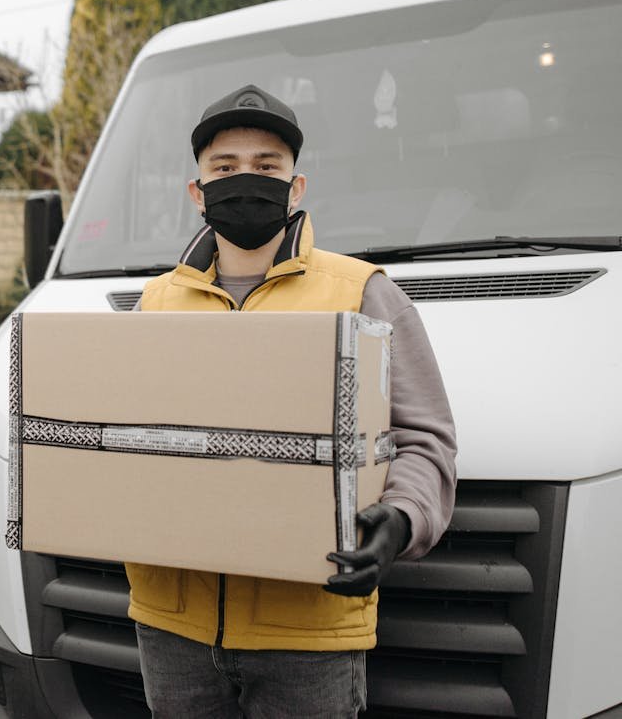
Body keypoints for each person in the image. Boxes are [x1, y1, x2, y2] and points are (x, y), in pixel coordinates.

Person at [128, 84, 457, 718]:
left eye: (266, 167)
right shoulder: (155, 303)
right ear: (197, 192)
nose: (244, 180)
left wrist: (402, 519)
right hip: (172, 630)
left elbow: (424, 437)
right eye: (225, 168)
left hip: (309, 630)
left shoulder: (363, 293)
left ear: (295, 188)